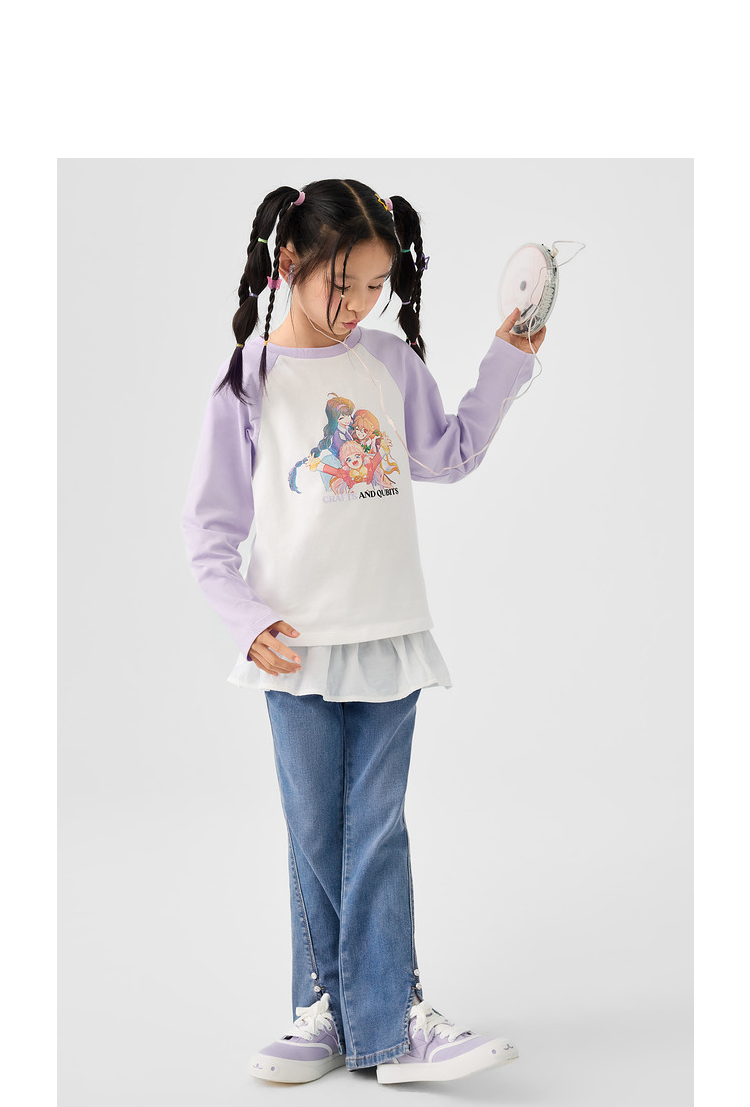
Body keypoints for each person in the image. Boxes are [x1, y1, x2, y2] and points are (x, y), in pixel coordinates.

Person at [180, 178, 546, 1085]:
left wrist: (506, 359)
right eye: (342, 285)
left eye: (377, 287)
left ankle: (394, 1021)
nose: (358, 306)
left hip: (387, 637)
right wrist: (248, 622)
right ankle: (325, 1009)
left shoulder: (386, 362)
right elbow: (210, 535)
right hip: (295, 649)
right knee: (315, 833)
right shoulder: (248, 381)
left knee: (374, 828)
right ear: (289, 263)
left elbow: (449, 453)